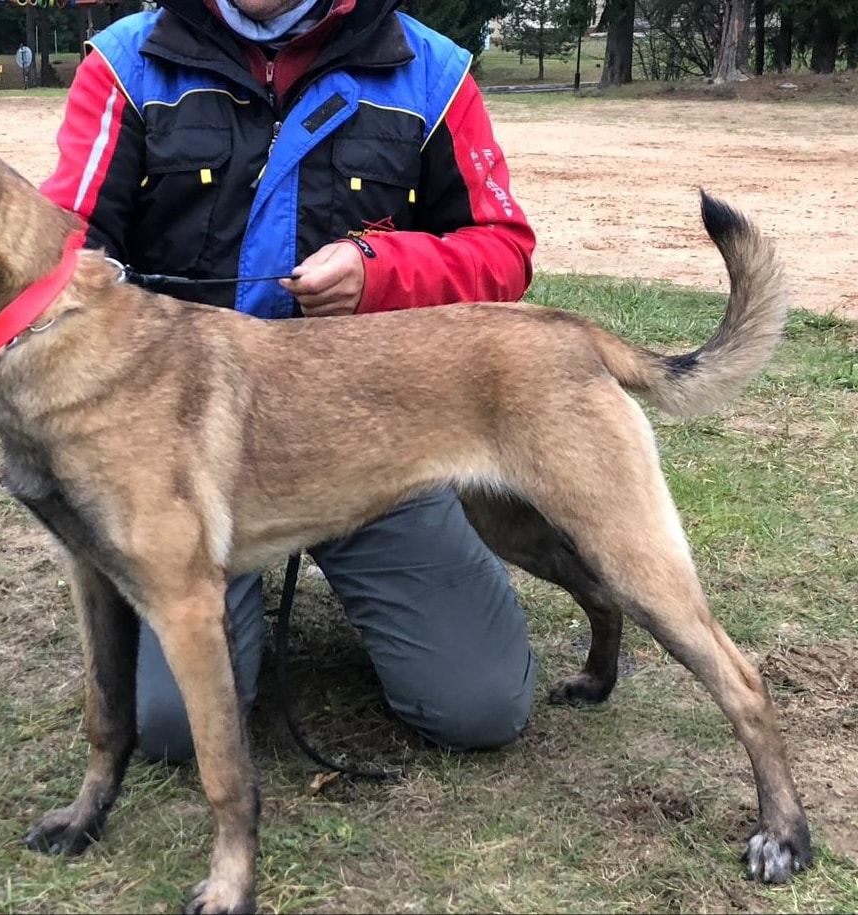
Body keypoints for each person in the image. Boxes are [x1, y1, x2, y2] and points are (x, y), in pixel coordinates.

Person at [40, 0, 539, 763]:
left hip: (372, 442)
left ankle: (405, 575)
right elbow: (63, 248)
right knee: (170, 732)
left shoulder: (432, 73)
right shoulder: (125, 62)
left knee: (482, 708)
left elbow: (503, 252)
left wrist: (384, 271)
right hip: (183, 462)